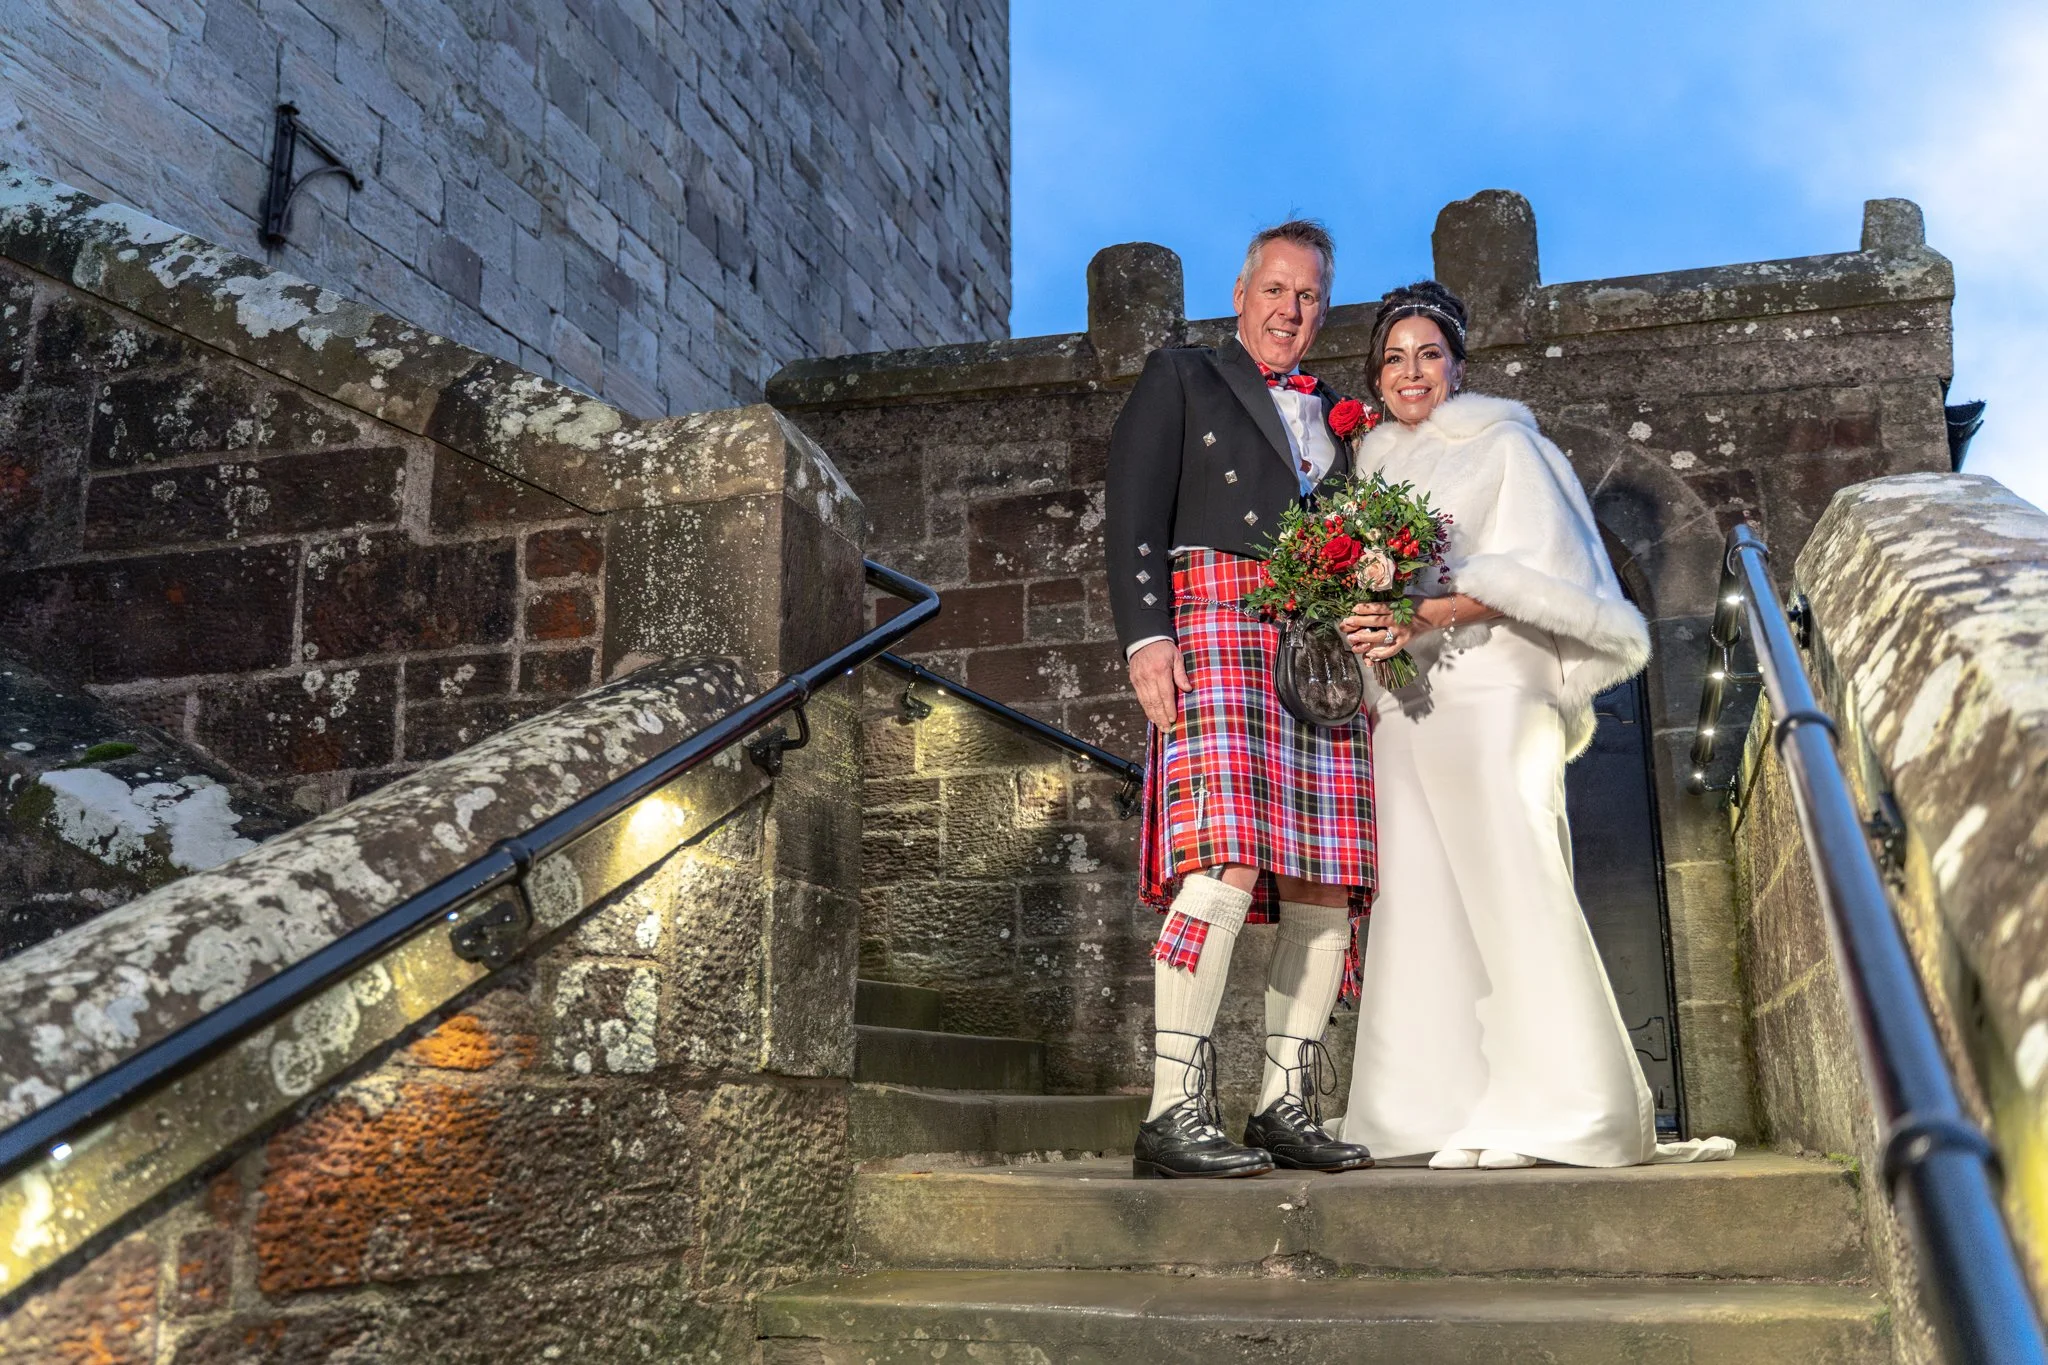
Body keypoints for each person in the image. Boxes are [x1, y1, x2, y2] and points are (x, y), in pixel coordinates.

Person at [1336, 281, 1732, 1168]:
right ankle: (1429, 1106)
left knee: (1514, 874)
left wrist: (1427, 614)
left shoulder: (1509, 446)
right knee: (1424, 892)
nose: (1412, 372)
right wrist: (1363, 619)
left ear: (1458, 366)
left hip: (1493, 684)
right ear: (1376, 372)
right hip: (1407, 699)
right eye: (1395, 357)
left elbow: (1543, 576)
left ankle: (1567, 1103)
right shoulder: (1368, 469)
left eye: (1428, 355)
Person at [1105, 220, 1377, 1179]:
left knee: (1325, 881)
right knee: (1218, 867)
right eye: (1275, 290)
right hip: (1214, 624)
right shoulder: (1184, 375)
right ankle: (1174, 1111)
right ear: (1241, 292)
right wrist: (1147, 638)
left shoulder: (1345, 416)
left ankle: (1283, 1106)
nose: (1289, 312)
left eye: (1307, 299)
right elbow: (1132, 511)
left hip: (1316, 651)